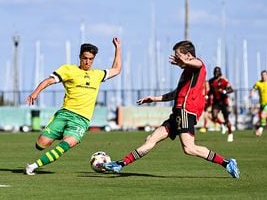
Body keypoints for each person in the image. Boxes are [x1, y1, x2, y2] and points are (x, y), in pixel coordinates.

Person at [103, 40, 240, 178]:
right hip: (177, 113)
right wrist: (153, 98)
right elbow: (176, 94)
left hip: (186, 111)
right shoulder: (186, 72)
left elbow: (198, 63)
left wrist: (184, 62)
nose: (176, 59)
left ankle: (227, 163)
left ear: (188, 55)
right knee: (151, 139)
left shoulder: (198, 65)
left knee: (189, 148)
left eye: (178, 56)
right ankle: (120, 164)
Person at [24, 38, 121, 175]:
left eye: (91, 59)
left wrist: (118, 48)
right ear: (80, 57)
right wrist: (36, 92)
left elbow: (116, 69)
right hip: (65, 114)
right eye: (85, 58)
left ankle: (33, 166)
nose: (87, 62)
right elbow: (50, 80)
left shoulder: (97, 75)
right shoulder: (69, 69)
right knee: (41, 144)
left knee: (66, 144)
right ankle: (59, 134)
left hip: (81, 120)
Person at [208, 66, 234, 142]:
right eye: (215, 72)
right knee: (214, 116)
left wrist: (225, 91)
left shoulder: (224, 80)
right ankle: (222, 124)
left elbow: (231, 89)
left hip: (224, 102)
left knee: (227, 119)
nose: (216, 74)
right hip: (216, 102)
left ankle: (230, 133)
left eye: (217, 72)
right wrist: (207, 96)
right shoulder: (211, 81)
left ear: (220, 72)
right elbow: (211, 91)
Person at [249, 70, 267, 136]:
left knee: (263, 114)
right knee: (264, 116)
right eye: (262, 75)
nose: (263, 77)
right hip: (262, 103)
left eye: (264, 75)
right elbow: (253, 89)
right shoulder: (258, 83)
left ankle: (260, 130)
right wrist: (251, 93)